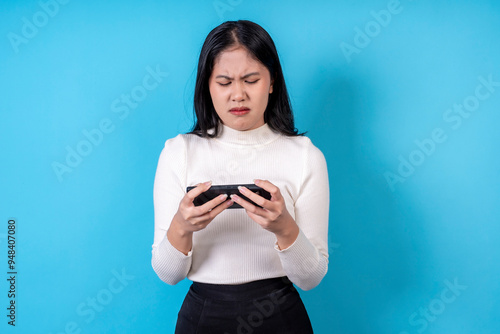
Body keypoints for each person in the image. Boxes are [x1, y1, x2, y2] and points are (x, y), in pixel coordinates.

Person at [151, 19, 330, 333]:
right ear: (207, 85)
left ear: (272, 82)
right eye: (224, 82)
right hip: (203, 318)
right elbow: (168, 274)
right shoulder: (179, 152)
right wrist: (182, 226)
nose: (238, 95)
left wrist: (284, 227)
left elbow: (310, 278)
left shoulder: (305, 156)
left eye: (251, 80)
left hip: (281, 317)